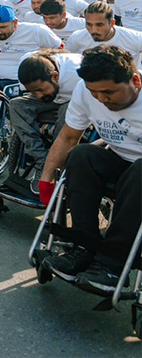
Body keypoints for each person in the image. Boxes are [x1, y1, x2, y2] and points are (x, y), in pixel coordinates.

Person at [38, 46, 141, 296]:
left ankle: (112, 264)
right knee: (82, 155)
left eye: (109, 92)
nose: (102, 100)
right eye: (95, 93)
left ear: (135, 81)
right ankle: (83, 247)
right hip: (119, 160)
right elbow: (68, 137)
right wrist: (46, 180)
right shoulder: (87, 91)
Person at [10, 50, 82, 183]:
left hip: (76, 102)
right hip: (55, 99)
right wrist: (38, 92)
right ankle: (42, 161)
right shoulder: (28, 66)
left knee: (66, 109)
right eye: (33, 91)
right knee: (16, 104)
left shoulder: (77, 74)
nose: (38, 95)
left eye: (40, 90)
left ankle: (56, 164)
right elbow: (35, 93)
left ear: (55, 76)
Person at [0, 5, 62, 89]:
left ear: (15, 23)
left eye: (2, 27)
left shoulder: (36, 31)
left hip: (20, 81)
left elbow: (60, 49)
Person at [65, 1, 142, 64]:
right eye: (89, 24)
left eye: (99, 25)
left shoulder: (135, 38)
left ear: (112, 23)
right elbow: (66, 60)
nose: (93, 30)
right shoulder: (77, 37)